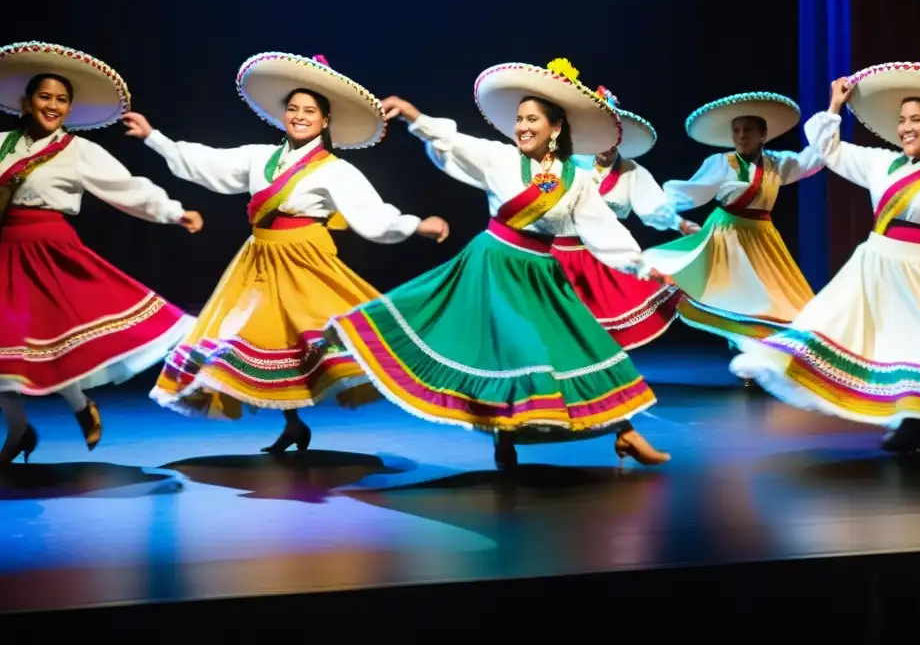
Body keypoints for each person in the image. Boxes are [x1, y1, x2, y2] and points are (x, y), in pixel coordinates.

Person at [325, 58, 677, 470]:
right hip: (493, 268)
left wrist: (640, 265)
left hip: (542, 274)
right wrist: (413, 116)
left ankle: (626, 432)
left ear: (555, 128)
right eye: (520, 119)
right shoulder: (500, 158)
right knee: (512, 351)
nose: (523, 127)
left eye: (533, 120)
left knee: (584, 347)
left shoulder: (576, 180)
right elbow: (454, 144)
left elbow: (602, 230)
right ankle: (504, 440)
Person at [124, 52, 449, 454]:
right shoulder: (260, 157)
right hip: (258, 259)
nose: (299, 116)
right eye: (293, 109)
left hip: (304, 261)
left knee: (309, 339)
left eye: (309, 111)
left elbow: (371, 214)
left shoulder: (335, 169)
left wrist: (416, 225)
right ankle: (293, 423)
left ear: (325, 120)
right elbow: (209, 163)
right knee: (262, 339)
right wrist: (154, 138)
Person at [730, 51, 920, 454]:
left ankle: (916, 420)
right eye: (902, 120)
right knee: (876, 340)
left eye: (916, 119)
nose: (905, 127)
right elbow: (828, 149)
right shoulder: (879, 163)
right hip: (876, 264)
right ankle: (908, 419)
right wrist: (836, 104)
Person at [0, 40, 203, 464]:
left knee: (52, 345)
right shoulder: (3, 144)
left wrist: (173, 212)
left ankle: (80, 406)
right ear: (26, 101)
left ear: (69, 109)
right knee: (7, 348)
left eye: (61, 100)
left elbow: (125, 189)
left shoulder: (78, 150)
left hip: (49, 252)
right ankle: (18, 429)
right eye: (44, 97)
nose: (52, 105)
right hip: (5, 250)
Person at [643, 92, 822, 359]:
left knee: (775, 299)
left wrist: (831, 110)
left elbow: (812, 160)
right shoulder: (721, 163)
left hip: (762, 237)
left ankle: (767, 354)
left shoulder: (776, 163)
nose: (740, 136)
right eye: (736, 130)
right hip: (726, 236)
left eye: (747, 130)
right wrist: (661, 209)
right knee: (737, 295)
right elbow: (690, 191)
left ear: (763, 135)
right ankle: (744, 350)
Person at [551, 85, 696, 349]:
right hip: (562, 255)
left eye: (611, 137)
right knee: (560, 324)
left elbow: (653, 207)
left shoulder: (631, 171)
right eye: (599, 135)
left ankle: (602, 375)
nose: (605, 145)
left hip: (607, 255)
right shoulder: (569, 163)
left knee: (603, 327)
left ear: (620, 137)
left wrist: (681, 225)